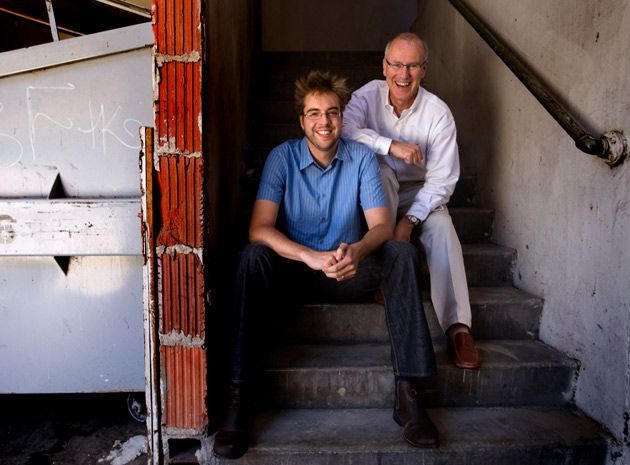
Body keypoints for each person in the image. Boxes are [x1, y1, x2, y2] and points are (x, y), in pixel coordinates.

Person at [212, 71, 439, 459]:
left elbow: (382, 226)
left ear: (342, 116)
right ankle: (238, 397)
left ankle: (410, 393)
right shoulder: (281, 158)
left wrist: (357, 252)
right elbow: (258, 229)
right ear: (302, 120)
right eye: (314, 113)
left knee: (402, 253)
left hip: (347, 272)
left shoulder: (362, 158)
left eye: (332, 112)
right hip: (293, 274)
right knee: (250, 258)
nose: (324, 122)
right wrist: (308, 256)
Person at [342, 32, 481, 370]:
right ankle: (387, 276)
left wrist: (408, 223)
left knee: (443, 228)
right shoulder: (366, 96)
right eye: (397, 65)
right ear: (384, 66)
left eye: (413, 66)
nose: (403, 75)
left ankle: (458, 327)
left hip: (422, 190)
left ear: (425, 68)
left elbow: (443, 180)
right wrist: (390, 146)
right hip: (380, 186)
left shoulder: (438, 114)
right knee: (382, 175)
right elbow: (344, 129)